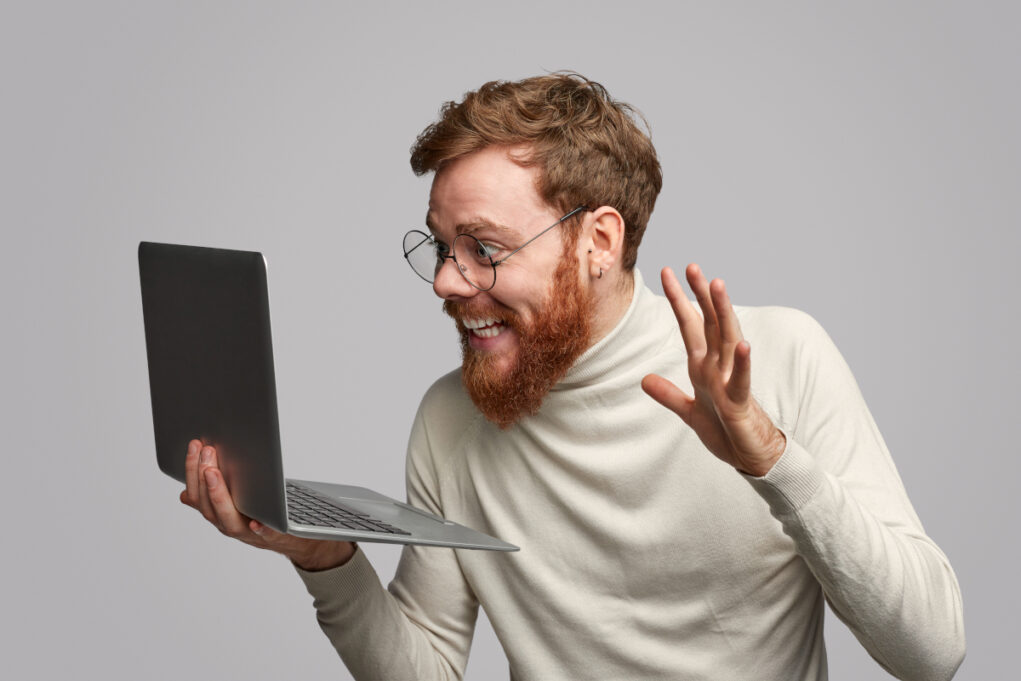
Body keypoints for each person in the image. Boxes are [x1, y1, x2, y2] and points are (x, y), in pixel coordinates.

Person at [179, 73, 966, 680]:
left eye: (483, 248)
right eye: (441, 246)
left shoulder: (779, 358)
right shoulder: (450, 417)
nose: (446, 281)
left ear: (598, 240)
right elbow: (426, 667)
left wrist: (771, 458)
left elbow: (929, 653)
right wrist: (327, 562)